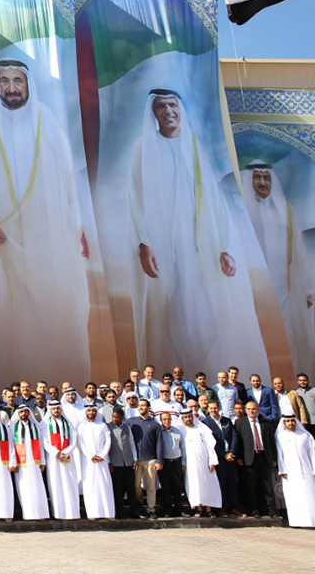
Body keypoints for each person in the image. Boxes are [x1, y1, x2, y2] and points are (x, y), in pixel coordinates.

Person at [0, 58, 90, 386]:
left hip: (45, 238)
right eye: (5, 81)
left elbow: (68, 181)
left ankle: (51, 383)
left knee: (50, 307)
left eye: (18, 80)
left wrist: (77, 226)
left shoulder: (47, 120)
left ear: (28, 83)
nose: (12, 87)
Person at [129, 89, 265, 376]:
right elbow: (135, 198)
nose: (168, 111)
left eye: (172, 104)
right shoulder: (143, 148)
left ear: (181, 109)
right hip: (162, 248)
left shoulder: (194, 146)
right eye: (161, 106)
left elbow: (215, 201)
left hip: (198, 246)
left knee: (206, 310)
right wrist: (143, 243)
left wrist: (224, 246)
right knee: (167, 311)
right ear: (153, 113)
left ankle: (207, 374)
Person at [243, 164, 315, 376]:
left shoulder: (286, 211)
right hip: (254, 283)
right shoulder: (243, 209)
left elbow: (300, 252)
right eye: (257, 177)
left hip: (284, 284)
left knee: (287, 330)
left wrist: (309, 289)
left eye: (266, 177)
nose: (262, 182)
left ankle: (288, 376)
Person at [233, 400, 278, 516]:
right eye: (248, 409)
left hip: (264, 457)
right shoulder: (240, 423)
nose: (251, 411)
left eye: (253, 409)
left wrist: (274, 459)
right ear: (245, 410)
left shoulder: (266, 424)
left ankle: (271, 510)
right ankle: (254, 510)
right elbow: (237, 442)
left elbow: (271, 443)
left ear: (258, 410)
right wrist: (239, 458)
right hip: (249, 459)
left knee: (267, 486)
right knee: (250, 486)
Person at [275, 413, 315, 528]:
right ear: (284, 423)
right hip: (290, 473)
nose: (290, 423)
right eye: (288, 421)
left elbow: (313, 453)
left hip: (306, 471)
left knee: (309, 495)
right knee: (293, 495)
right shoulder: (280, 436)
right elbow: (279, 454)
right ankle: (296, 521)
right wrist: (282, 469)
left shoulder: (305, 435)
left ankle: (311, 521)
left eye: (292, 421)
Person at [180, 408, 221, 517]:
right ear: (182, 419)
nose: (188, 419)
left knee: (207, 484)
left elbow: (210, 445)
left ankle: (209, 510)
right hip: (190, 465)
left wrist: (212, 461)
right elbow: (182, 449)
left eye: (189, 416)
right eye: (185, 417)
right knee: (194, 486)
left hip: (204, 463)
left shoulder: (202, 429)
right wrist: (183, 463)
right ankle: (198, 509)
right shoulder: (182, 431)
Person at [126, 398, 164, 517]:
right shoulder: (131, 422)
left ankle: (151, 509)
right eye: (140, 406)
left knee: (151, 486)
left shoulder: (155, 425)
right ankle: (139, 505)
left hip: (151, 460)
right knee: (136, 485)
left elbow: (159, 443)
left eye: (143, 406)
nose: (141, 407)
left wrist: (159, 460)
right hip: (136, 460)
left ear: (149, 408)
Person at [42, 399, 79, 519]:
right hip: (54, 459)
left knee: (70, 483)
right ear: (50, 410)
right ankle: (59, 513)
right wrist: (57, 453)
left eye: (58, 408)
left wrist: (65, 452)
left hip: (67, 458)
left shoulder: (68, 423)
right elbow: (45, 441)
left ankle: (72, 512)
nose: (56, 410)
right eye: (54, 409)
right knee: (56, 484)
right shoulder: (45, 424)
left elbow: (73, 440)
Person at [202, 399, 240, 515]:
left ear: (219, 408)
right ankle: (221, 508)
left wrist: (232, 452)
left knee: (233, 483)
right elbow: (211, 442)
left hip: (231, 457)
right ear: (207, 409)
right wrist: (224, 454)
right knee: (221, 483)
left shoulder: (227, 421)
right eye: (211, 408)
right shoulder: (205, 423)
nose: (213, 410)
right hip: (218, 458)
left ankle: (233, 507)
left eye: (215, 408)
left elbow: (234, 437)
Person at [77, 403, 113, 519]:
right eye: (89, 411)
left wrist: (102, 455)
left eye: (93, 411)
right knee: (90, 487)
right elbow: (80, 444)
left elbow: (108, 440)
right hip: (88, 462)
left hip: (102, 461)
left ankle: (108, 513)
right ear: (85, 412)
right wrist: (91, 455)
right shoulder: (81, 427)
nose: (91, 413)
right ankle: (93, 513)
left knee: (104, 485)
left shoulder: (102, 425)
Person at [11, 406, 48, 520]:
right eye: (21, 412)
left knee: (37, 487)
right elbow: (11, 446)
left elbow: (40, 444)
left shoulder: (35, 426)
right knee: (24, 488)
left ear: (29, 412)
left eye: (25, 411)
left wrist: (42, 461)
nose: (23, 413)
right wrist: (13, 462)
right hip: (21, 464)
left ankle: (40, 514)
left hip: (35, 463)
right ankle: (28, 514)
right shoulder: (13, 427)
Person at [106, 406, 138, 518]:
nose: (115, 419)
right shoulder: (108, 428)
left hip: (128, 462)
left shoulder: (126, 427)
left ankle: (135, 512)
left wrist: (135, 459)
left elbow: (132, 443)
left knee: (130, 488)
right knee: (118, 489)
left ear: (122, 418)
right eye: (113, 416)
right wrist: (109, 462)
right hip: (115, 463)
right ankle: (119, 513)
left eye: (117, 417)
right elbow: (107, 446)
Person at [157, 412, 185, 518]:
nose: (167, 421)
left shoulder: (177, 431)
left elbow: (182, 447)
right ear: (161, 420)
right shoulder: (159, 432)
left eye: (168, 419)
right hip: (165, 463)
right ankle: (167, 510)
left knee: (178, 487)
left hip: (176, 462)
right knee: (166, 488)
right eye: (164, 419)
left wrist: (183, 462)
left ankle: (180, 510)